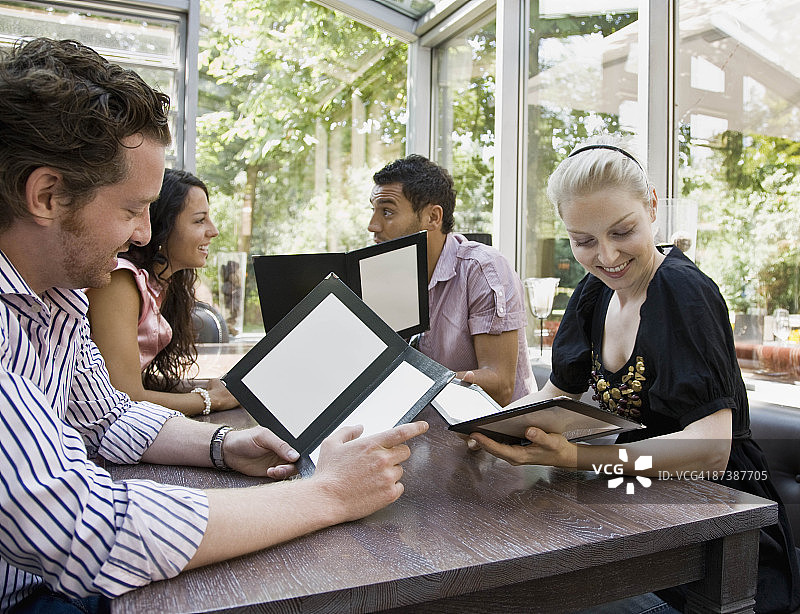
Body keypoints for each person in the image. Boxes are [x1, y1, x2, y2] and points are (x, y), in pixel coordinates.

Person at [0, 37, 428, 613]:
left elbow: (109, 417)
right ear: (47, 195)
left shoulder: (57, 298)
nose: (144, 236)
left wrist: (226, 445)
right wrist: (328, 493)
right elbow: (90, 527)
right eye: (130, 210)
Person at [465, 139, 800, 613]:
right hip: (640, 512)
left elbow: (709, 451)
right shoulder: (594, 292)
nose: (607, 256)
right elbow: (556, 393)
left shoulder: (684, 293)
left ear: (652, 207)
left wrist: (577, 457)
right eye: (583, 241)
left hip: (723, 535)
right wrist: (480, 429)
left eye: (622, 231)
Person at [369, 155, 535, 406]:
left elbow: (499, 386)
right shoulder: (387, 276)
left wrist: (408, 383)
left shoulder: (483, 269)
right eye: (373, 211)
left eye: (388, 212)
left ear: (433, 217)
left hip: (491, 438)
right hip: (421, 434)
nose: (373, 225)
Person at [86, 168, 239, 416]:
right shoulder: (119, 281)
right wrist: (212, 400)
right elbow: (125, 395)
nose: (213, 231)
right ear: (162, 226)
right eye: (200, 220)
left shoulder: (164, 285)